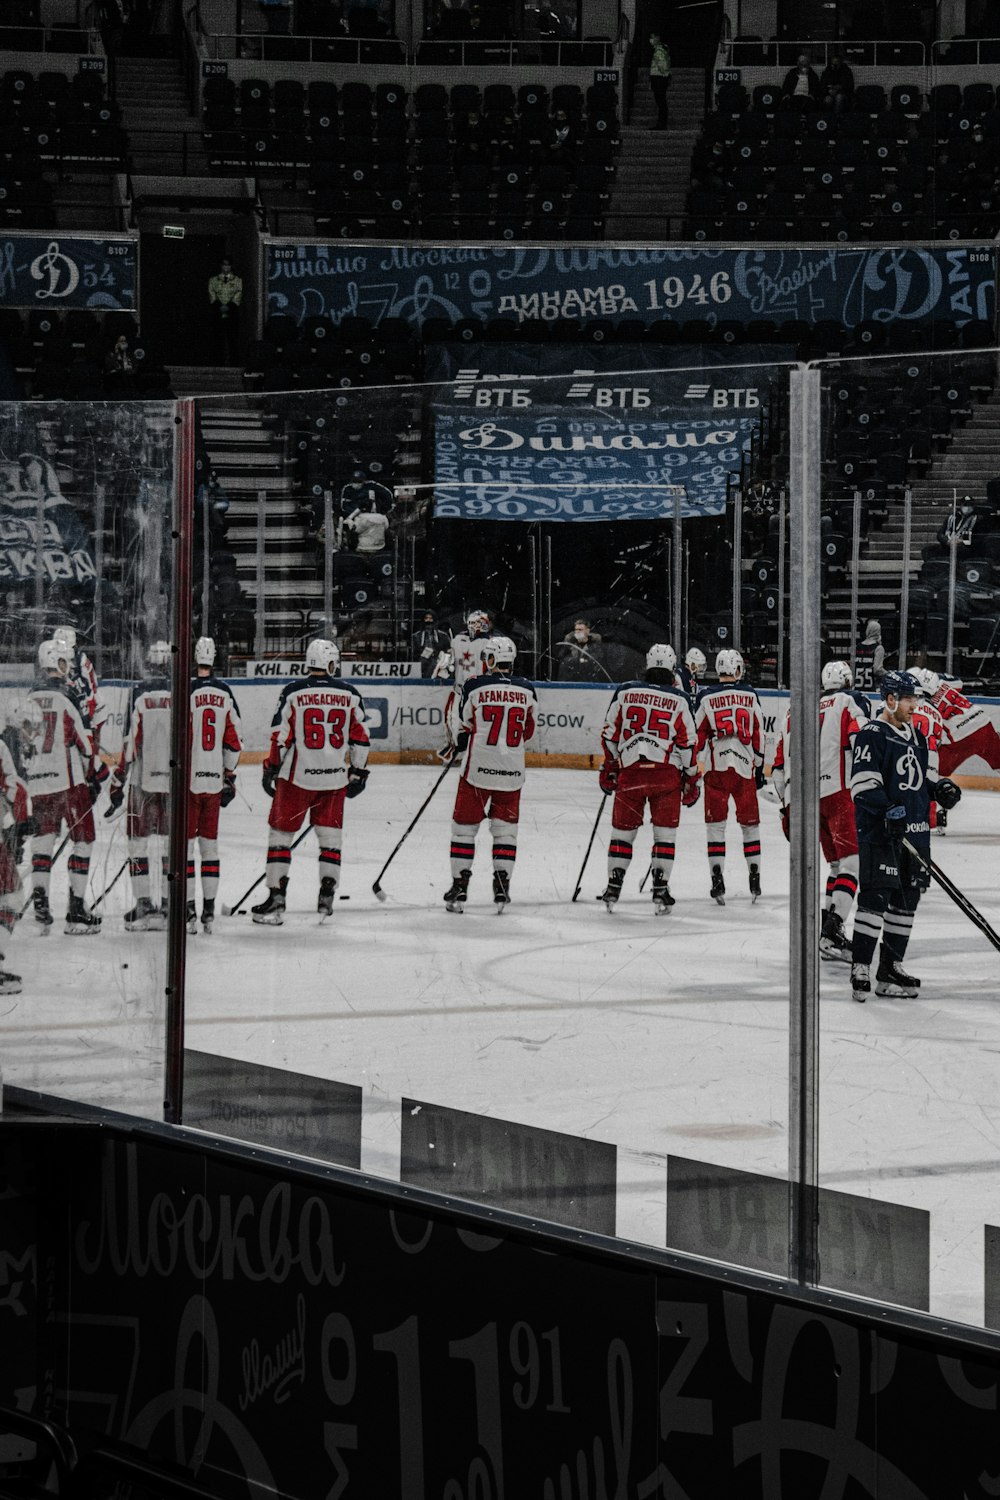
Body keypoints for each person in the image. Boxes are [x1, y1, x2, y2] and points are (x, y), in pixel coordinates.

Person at [848, 670, 962, 1002]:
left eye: (915, 698)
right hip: (881, 834)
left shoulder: (916, 736)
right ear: (890, 699)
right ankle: (861, 967)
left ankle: (890, 968)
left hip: (914, 832)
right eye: (909, 698)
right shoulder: (872, 734)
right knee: (876, 899)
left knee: (906, 902)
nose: (915, 705)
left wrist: (937, 790)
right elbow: (862, 785)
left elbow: (915, 782)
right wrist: (886, 811)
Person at [252, 639, 369, 925]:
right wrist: (358, 771)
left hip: (297, 778)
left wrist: (270, 768)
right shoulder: (349, 694)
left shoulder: (293, 692)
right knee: (330, 838)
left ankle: (276, 899)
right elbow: (361, 739)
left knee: (280, 837)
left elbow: (280, 737)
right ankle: (327, 893)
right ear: (331, 663)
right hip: (333, 779)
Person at [771, 660, 871, 963]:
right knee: (852, 864)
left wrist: (787, 804)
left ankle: (829, 935)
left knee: (836, 866)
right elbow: (861, 742)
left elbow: (777, 769)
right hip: (837, 794)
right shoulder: (849, 701)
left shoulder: (793, 709)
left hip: (800, 800)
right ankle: (832, 930)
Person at [598, 644, 697, 914]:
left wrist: (610, 765)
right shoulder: (679, 698)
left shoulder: (626, 691)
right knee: (664, 835)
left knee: (622, 833)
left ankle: (613, 885)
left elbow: (608, 734)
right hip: (665, 776)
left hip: (631, 774)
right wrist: (691, 777)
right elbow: (688, 744)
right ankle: (660, 889)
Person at [444, 636, 537, 913]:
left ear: (492, 660)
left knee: (463, 829)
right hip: (511, 773)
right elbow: (528, 732)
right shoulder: (527, 690)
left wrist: (463, 740)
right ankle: (501, 886)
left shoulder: (475, 685)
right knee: (505, 833)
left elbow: (464, 723)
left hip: (477, 771)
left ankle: (459, 887)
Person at [28, 639, 105, 936]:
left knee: (42, 840)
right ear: (58, 663)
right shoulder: (68, 695)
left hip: (38, 784)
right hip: (69, 783)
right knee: (83, 841)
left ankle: (41, 904)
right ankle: (75, 911)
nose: (68, 666)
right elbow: (85, 744)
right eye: (65, 661)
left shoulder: (30, 697)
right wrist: (96, 776)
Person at [107, 641, 173, 932]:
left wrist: (117, 782)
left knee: (138, 844)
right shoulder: (182, 691)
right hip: (175, 782)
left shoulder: (138, 693)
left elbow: (129, 744)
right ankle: (170, 904)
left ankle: (144, 904)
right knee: (173, 846)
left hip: (141, 782)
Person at [693, 648, 765, 905]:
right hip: (744, 769)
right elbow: (758, 732)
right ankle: (754, 875)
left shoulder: (705, 696)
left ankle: (717, 878)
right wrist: (759, 763)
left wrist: (692, 769)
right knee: (750, 825)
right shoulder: (749, 694)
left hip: (716, 767)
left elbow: (697, 736)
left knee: (716, 827)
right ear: (737, 670)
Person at [187, 636, 242, 935]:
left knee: (184, 851)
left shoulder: (186, 690)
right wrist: (228, 776)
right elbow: (234, 743)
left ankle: (188, 914)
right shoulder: (224, 693)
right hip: (213, 781)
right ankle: (208, 912)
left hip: (189, 783)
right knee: (210, 848)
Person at [0, 701, 40, 993]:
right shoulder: (5, 746)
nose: (31, 733)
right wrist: (19, 828)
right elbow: (14, 788)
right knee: (12, 897)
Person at [435, 609, 496, 757]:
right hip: (460, 689)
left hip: (479, 691)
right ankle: (455, 749)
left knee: (478, 723)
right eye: (475, 623)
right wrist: (444, 666)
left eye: (480, 623)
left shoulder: (489, 643)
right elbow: (449, 660)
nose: (477, 626)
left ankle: (476, 752)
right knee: (452, 719)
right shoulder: (458, 640)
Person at [921, 669, 1000, 780]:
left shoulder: (922, 703)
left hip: (960, 736)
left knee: (933, 770)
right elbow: (959, 683)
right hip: (982, 721)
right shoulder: (944, 684)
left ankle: (932, 793)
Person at [51, 625, 105, 752]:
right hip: (77, 710)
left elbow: (91, 693)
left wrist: (88, 718)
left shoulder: (81, 660)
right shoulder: (55, 663)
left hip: (93, 711)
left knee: (91, 752)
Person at [207, 258, 243, 365]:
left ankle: (233, 363)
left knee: (232, 337)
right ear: (221, 266)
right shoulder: (213, 280)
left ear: (231, 267)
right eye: (224, 265)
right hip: (217, 311)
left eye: (228, 265)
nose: (226, 267)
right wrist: (219, 306)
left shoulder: (237, 280)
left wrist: (229, 306)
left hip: (232, 312)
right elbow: (211, 293)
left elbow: (238, 294)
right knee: (217, 337)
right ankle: (217, 362)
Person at [412, 612, 450, 678]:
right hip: (422, 663)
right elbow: (414, 653)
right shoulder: (416, 636)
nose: (428, 620)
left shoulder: (443, 636)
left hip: (438, 662)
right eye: (426, 618)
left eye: (430, 618)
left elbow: (447, 652)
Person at [853, 619, 885, 692]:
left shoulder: (857, 647)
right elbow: (877, 669)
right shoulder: (878, 648)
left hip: (857, 689)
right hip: (871, 688)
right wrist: (889, 674)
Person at [649, 34, 671, 129]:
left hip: (659, 79)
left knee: (661, 102)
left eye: (652, 37)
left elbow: (663, 66)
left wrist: (664, 76)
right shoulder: (662, 49)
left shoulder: (659, 51)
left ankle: (661, 124)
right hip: (660, 79)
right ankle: (661, 123)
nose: (650, 40)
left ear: (657, 39)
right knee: (661, 102)